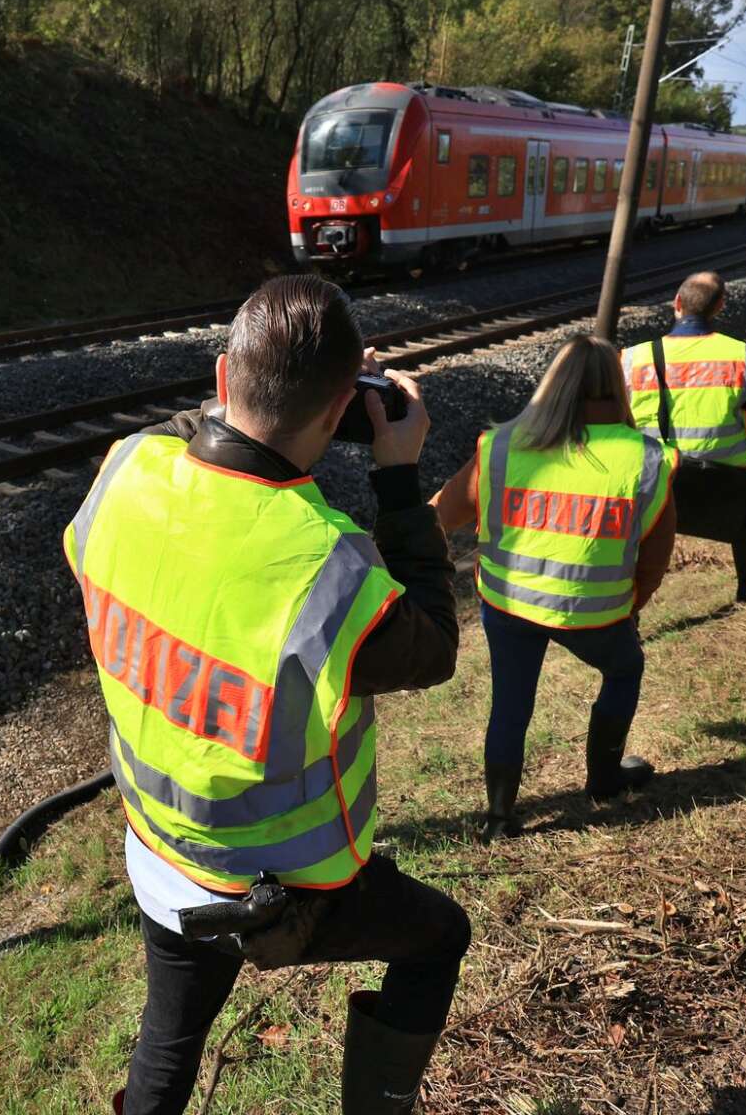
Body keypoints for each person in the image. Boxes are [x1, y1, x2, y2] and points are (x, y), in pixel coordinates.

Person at [64, 274, 470, 1115]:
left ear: (220, 382)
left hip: (162, 851)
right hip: (291, 890)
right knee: (439, 939)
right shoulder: (330, 569)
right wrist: (397, 476)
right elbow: (434, 648)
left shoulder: (126, 471)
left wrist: (261, 398)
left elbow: (188, 435)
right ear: (336, 416)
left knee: (168, 1044)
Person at [432, 336, 678, 842]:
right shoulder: (647, 461)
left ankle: (499, 817)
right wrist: (629, 609)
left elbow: (441, 514)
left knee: (510, 704)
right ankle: (604, 781)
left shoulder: (501, 446)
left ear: (552, 383)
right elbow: (654, 563)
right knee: (625, 667)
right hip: (595, 615)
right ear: (617, 387)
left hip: (507, 604)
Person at [619, 271, 746, 603]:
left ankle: (629, 607)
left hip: (656, 485)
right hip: (722, 487)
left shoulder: (633, 358)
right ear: (720, 306)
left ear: (677, 304)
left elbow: (620, 422)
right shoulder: (742, 356)